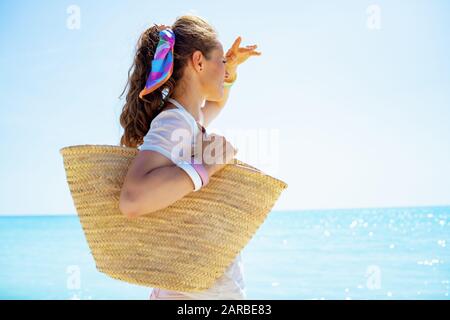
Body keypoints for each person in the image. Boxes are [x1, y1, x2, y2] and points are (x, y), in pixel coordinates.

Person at [117, 14, 261, 300]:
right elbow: (132, 200)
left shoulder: (189, 120)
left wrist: (229, 70)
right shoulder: (175, 122)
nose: (225, 70)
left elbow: (218, 101)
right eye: (220, 62)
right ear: (198, 62)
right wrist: (205, 166)